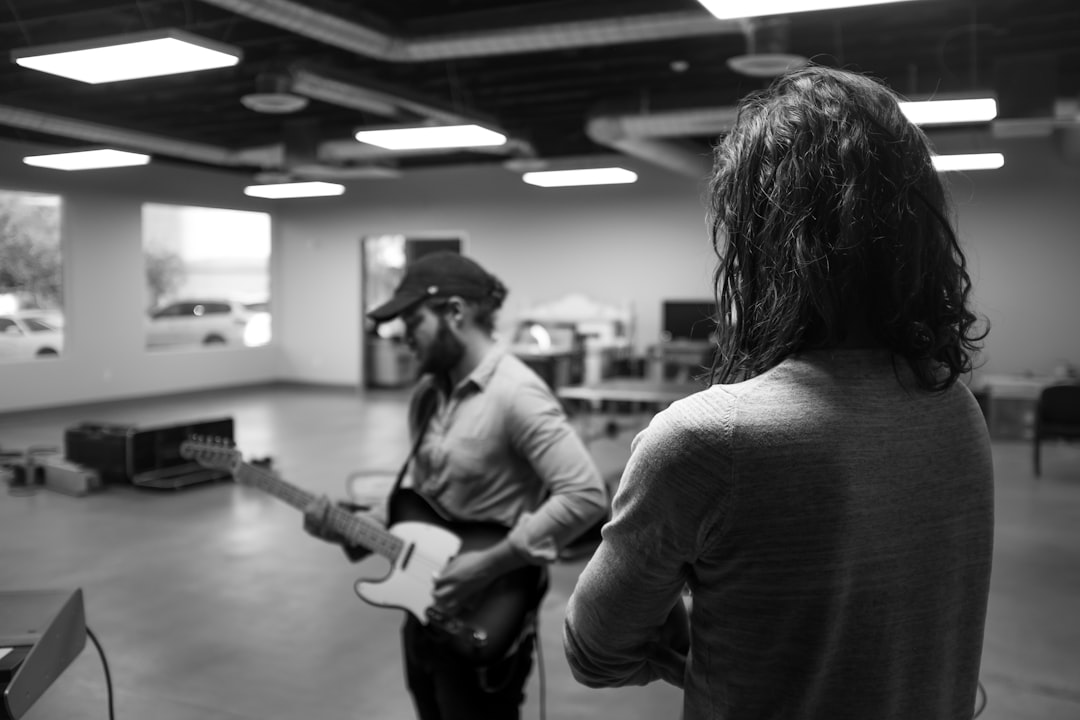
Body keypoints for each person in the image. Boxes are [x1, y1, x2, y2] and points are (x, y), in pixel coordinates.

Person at [563, 64, 994, 720]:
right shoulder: (953, 406)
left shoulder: (709, 439)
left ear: (761, 239)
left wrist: (683, 652)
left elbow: (593, 650)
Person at [303, 251, 608, 720]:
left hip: (490, 611)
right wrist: (350, 529)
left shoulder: (516, 394)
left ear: (455, 313)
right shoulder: (428, 395)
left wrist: (486, 564)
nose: (404, 336)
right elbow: (420, 501)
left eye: (413, 320)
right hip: (422, 604)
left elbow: (585, 495)